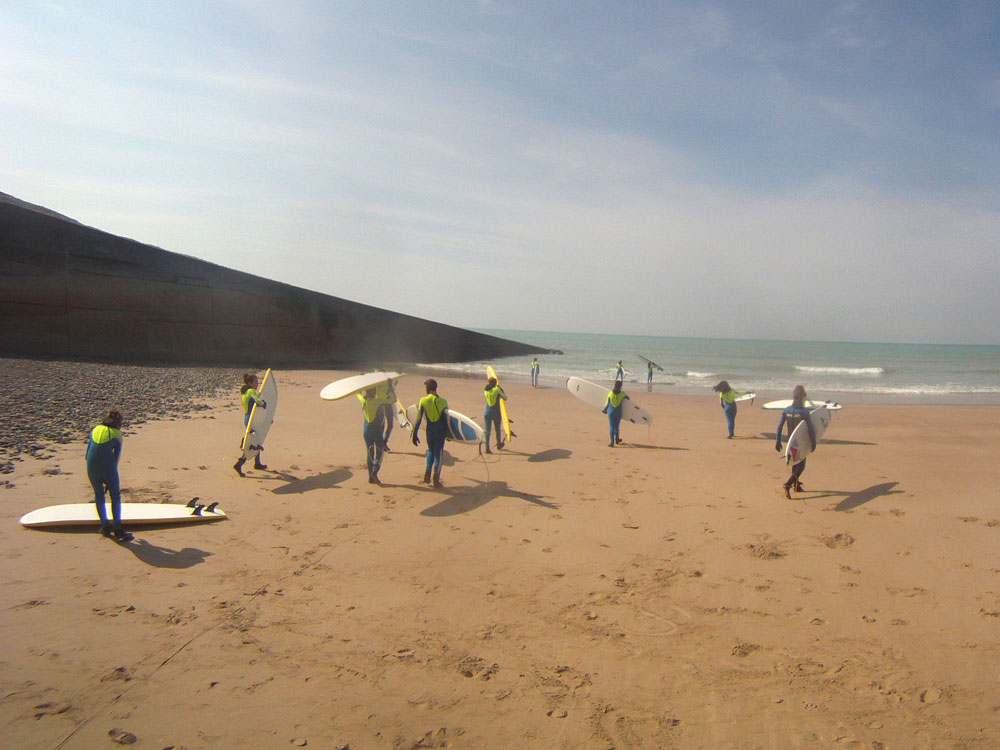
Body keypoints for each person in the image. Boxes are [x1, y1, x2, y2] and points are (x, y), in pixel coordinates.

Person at [86, 408, 132, 542]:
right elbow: (115, 458)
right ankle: (117, 529)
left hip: (91, 466)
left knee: (99, 494)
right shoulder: (117, 435)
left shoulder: (95, 429)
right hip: (108, 467)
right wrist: (109, 476)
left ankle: (105, 526)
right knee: (115, 496)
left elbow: (87, 452)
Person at [775, 385, 818, 498]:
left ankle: (797, 485)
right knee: (801, 466)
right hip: (800, 443)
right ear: (802, 397)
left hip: (790, 442)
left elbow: (779, 426)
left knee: (795, 463)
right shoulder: (804, 412)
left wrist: (778, 441)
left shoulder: (787, 410)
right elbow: (810, 429)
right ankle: (788, 485)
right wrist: (813, 442)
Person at [411, 379, 449, 487]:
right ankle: (436, 479)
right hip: (440, 430)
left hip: (430, 430)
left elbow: (418, 418)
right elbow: (447, 420)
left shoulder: (423, 400)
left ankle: (427, 474)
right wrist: (449, 434)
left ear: (428, 388)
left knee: (431, 451)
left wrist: (415, 434)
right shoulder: (443, 401)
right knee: (438, 454)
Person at [234, 372, 268, 477]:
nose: (257, 384)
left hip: (247, 418)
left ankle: (257, 463)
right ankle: (239, 463)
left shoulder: (244, 393)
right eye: (256, 382)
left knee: (257, 440)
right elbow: (258, 401)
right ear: (250, 383)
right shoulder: (251, 391)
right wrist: (263, 404)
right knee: (252, 443)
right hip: (251, 420)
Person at [358, 387, 386, 485]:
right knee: (380, 450)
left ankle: (370, 477)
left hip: (366, 429)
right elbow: (392, 399)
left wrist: (360, 385)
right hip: (376, 429)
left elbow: (357, 393)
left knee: (370, 451)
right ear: (375, 392)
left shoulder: (364, 400)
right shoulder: (378, 401)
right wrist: (391, 385)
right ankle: (374, 471)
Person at [483, 376, 507, 454]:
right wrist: (500, 389)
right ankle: (499, 444)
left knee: (487, 431)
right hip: (496, 412)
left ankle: (487, 448)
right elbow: (505, 397)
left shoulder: (485, 390)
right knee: (497, 429)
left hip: (487, 412)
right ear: (495, 383)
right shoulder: (497, 389)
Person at [602, 381, 629, 447]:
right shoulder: (622, 394)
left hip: (611, 412)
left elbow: (608, 403)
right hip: (618, 413)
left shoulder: (610, 393)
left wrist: (605, 410)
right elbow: (628, 399)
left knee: (611, 426)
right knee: (617, 426)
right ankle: (617, 440)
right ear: (620, 386)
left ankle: (612, 442)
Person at [375, 379, 398, 451]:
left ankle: (380, 442)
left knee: (380, 425)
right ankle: (384, 442)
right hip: (387, 405)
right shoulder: (388, 384)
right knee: (390, 425)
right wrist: (392, 385)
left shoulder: (377, 384)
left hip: (379, 405)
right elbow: (394, 398)